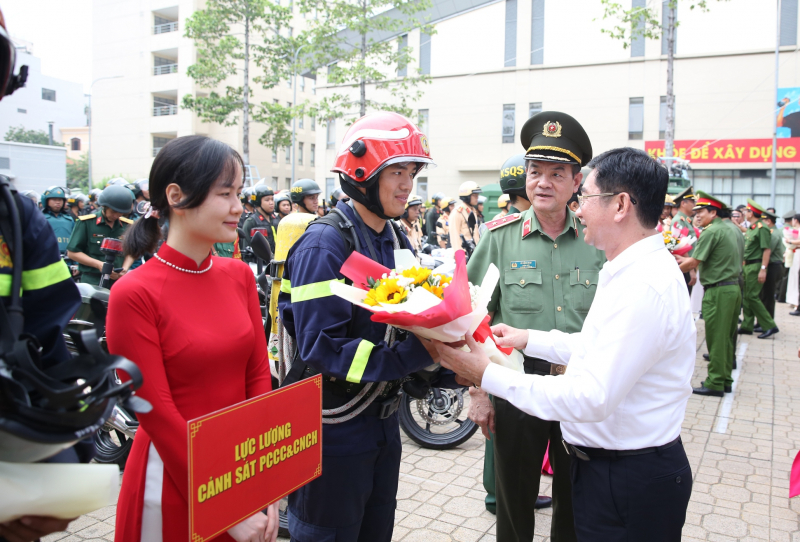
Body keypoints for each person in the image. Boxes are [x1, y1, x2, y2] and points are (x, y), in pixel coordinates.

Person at [435, 147, 696, 542]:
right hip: (612, 464)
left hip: (626, 475)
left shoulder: (642, 286)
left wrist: (487, 374)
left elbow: (591, 397)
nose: (579, 207)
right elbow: (597, 345)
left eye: (585, 195)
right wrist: (529, 338)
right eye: (535, 172)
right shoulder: (628, 269)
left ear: (621, 205)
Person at [278, 112, 443, 542]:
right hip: (334, 429)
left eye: (412, 173)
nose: (407, 185)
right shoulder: (323, 244)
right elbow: (322, 348)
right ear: (361, 173)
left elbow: (404, 322)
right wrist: (418, 354)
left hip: (383, 426)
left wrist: (446, 358)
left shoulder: (395, 238)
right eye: (397, 172)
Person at [107, 135, 280, 542]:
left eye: (238, 193)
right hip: (173, 479)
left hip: (240, 465)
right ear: (176, 196)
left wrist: (265, 477)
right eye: (225, 193)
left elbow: (257, 376)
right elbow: (154, 410)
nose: (239, 207)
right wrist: (221, 505)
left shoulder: (238, 276)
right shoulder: (133, 293)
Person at [466, 111, 604, 542]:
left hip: (579, 386)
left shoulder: (597, 240)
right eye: (535, 172)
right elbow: (470, 317)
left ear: (576, 181)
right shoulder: (499, 238)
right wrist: (478, 392)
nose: (543, 183)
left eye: (556, 173)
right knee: (514, 498)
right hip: (516, 386)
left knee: (576, 497)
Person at [676, 192, 741, 397]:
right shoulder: (732, 228)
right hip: (733, 288)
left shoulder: (711, 231)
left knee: (716, 337)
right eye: (695, 211)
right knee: (727, 336)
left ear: (713, 213)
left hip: (719, 290)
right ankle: (725, 379)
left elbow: (694, 262)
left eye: (701, 211)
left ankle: (715, 382)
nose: (697, 215)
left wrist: (671, 269)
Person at [65, 185, 134, 286]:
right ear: (104, 207)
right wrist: (99, 265)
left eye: (120, 213)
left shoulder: (127, 225)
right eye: (113, 211)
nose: (116, 216)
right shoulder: (86, 223)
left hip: (117, 281)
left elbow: (132, 251)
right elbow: (72, 253)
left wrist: (125, 268)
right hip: (92, 280)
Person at [739, 199, 779, 338]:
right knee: (747, 297)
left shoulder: (762, 228)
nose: (745, 214)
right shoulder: (753, 227)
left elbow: (766, 249)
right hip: (748, 265)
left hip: (756, 266)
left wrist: (763, 269)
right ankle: (747, 325)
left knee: (752, 296)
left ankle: (770, 325)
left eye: (747, 211)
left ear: (751, 213)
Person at [755, 208, 785, 329]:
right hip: (771, 265)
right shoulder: (772, 232)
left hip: (773, 266)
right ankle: (761, 322)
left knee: (768, 297)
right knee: (763, 296)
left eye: (762, 220)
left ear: (768, 221)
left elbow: (767, 250)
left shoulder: (773, 234)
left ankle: (767, 324)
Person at [671, 187, 697, 292]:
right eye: (692, 202)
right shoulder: (678, 220)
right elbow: (680, 246)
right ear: (683, 203)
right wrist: (691, 270)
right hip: (685, 267)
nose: (695, 205)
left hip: (689, 265)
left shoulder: (686, 220)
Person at [242, 184, 278, 252]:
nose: (271, 203)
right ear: (258, 202)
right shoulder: (251, 222)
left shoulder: (276, 220)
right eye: (267, 200)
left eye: (272, 199)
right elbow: (246, 249)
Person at [40, 186, 74, 255]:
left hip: (68, 257)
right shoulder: (41, 219)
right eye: (54, 199)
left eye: (60, 200)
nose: (58, 202)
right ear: (46, 201)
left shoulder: (69, 220)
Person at [450, 182, 481, 253]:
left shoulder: (473, 211)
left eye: (477, 195)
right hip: (465, 253)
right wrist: (460, 257)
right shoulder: (457, 212)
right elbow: (455, 237)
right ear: (467, 196)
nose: (477, 197)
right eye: (474, 195)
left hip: (474, 251)